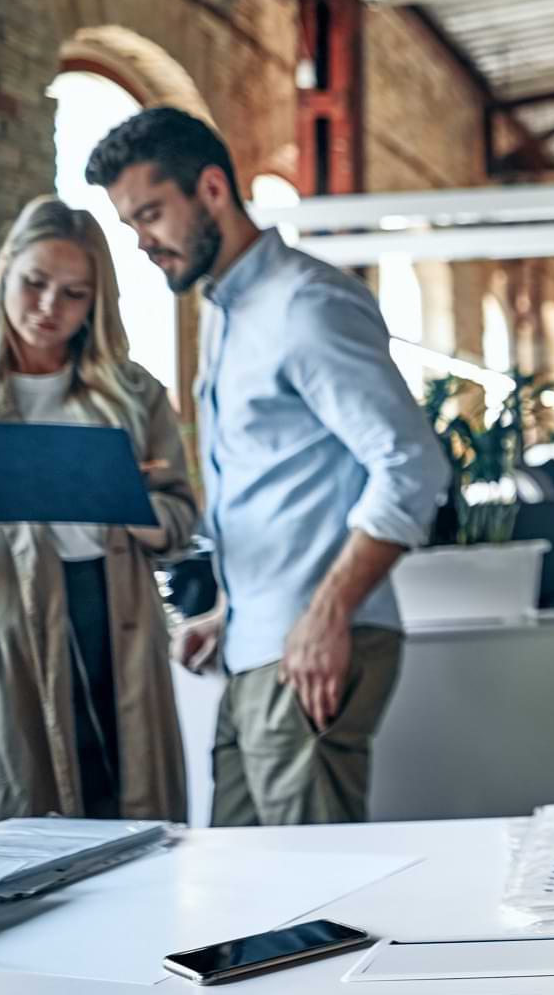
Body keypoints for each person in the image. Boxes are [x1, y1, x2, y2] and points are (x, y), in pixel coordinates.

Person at [88, 108, 449, 827]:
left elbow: (412, 464)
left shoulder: (305, 304)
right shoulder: (228, 310)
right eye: (131, 225)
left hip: (307, 642)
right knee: (243, 887)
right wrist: (233, 612)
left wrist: (325, 612)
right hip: (259, 642)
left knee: (306, 906)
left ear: (212, 189)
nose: (143, 243)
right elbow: (283, 484)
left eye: (153, 214)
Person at [0, 197, 197, 823]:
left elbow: (183, 519)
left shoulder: (134, 393)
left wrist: (129, 500)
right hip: (1, 625)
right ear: (6, 273)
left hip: (114, 616)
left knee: (129, 811)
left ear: (96, 302)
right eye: (34, 284)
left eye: (74, 293)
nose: (50, 308)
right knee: (18, 827)